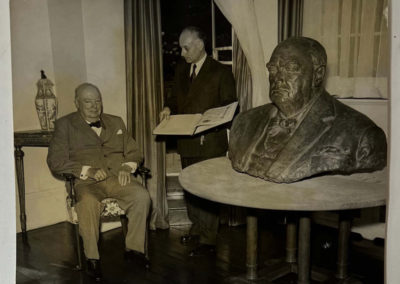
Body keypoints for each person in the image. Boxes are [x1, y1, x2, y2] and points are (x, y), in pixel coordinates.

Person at [229, 37, 387, 183]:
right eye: (273, 69)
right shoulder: (244, 122)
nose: (278, 78)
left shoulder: (362, 136)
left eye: (290, 69)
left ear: (318, 75)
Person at [47, 83, 151, 281]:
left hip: (117, 178)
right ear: (77, 103)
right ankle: (92, 258)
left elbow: (135, 151)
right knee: (87, 204)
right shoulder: (64, 125)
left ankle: (135, 250)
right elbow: (55, 161)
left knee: (141, 196)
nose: (94, 106)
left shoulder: (116, 121)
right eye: (88, 102)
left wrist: (127, 167)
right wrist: (87, 171)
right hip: (86, 183)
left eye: (97, 101)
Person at [159, 26, 237, 256]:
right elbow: (175, 100)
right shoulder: (181, 70)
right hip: (186, 140)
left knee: (207, 190)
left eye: (186, 47)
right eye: (181, 48)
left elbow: (230, 106)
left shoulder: (221, 72)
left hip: (210, 142)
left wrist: (210, 119)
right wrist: (167, 107)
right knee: (190, 188)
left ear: (200, 45)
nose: (182, 53)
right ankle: (197, 228)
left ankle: (208, 240)